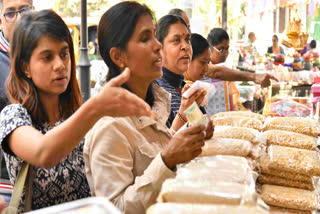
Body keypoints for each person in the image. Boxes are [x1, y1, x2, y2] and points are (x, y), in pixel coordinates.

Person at [0, 9, 153, 212]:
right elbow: (43, 153)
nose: (60, 65)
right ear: (25, 67)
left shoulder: (76, 114)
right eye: (47, 57)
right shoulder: (13, 117)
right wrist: (96, 107)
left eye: (64, 54)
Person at [84, 2, 206, 214]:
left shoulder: (157, 101)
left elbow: (164, 149)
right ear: (118, 57)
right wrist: (167, 161)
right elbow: (114, 209)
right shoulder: (110, 126)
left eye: (155, 36)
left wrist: (196, 131)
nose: (157, 45)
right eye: (145, 38)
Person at [155, 15, 213, 138]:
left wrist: (205, 125)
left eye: (187, 40)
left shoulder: (185, 88)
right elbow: (160, 151)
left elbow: (201, 133)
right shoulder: (154, 90)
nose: (185, 46)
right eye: (176, 40)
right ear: (159, 48)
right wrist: (182, 115)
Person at [205, 28, 278, 88]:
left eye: (227, 49)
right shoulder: (205, 66)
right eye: (221, 49)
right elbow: (217, 72)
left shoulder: (224, 67)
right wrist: (254, 77)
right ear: (210, 48)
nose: (225, 53)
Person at [0, 0, 33, 112]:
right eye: (10, 14)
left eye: (25, 11)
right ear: (0, 22)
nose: (19, 19)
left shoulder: (46, 52)